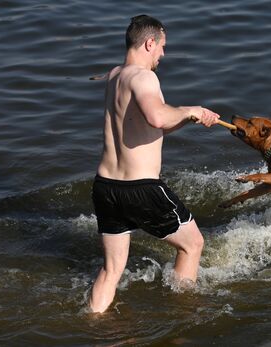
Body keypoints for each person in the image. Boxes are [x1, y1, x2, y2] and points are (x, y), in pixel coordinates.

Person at [89, 15, 220, 313]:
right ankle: (181, 316)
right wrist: (192, 108)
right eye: (162, 47)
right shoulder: (144, 77)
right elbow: (158, 117)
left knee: (111, 271)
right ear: (150, 43)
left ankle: (93, 326)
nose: (163, 54)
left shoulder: (115, 76)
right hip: (141, 188)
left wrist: (189, 118)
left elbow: (151, 126)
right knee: (193, 245)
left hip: (106, 187)